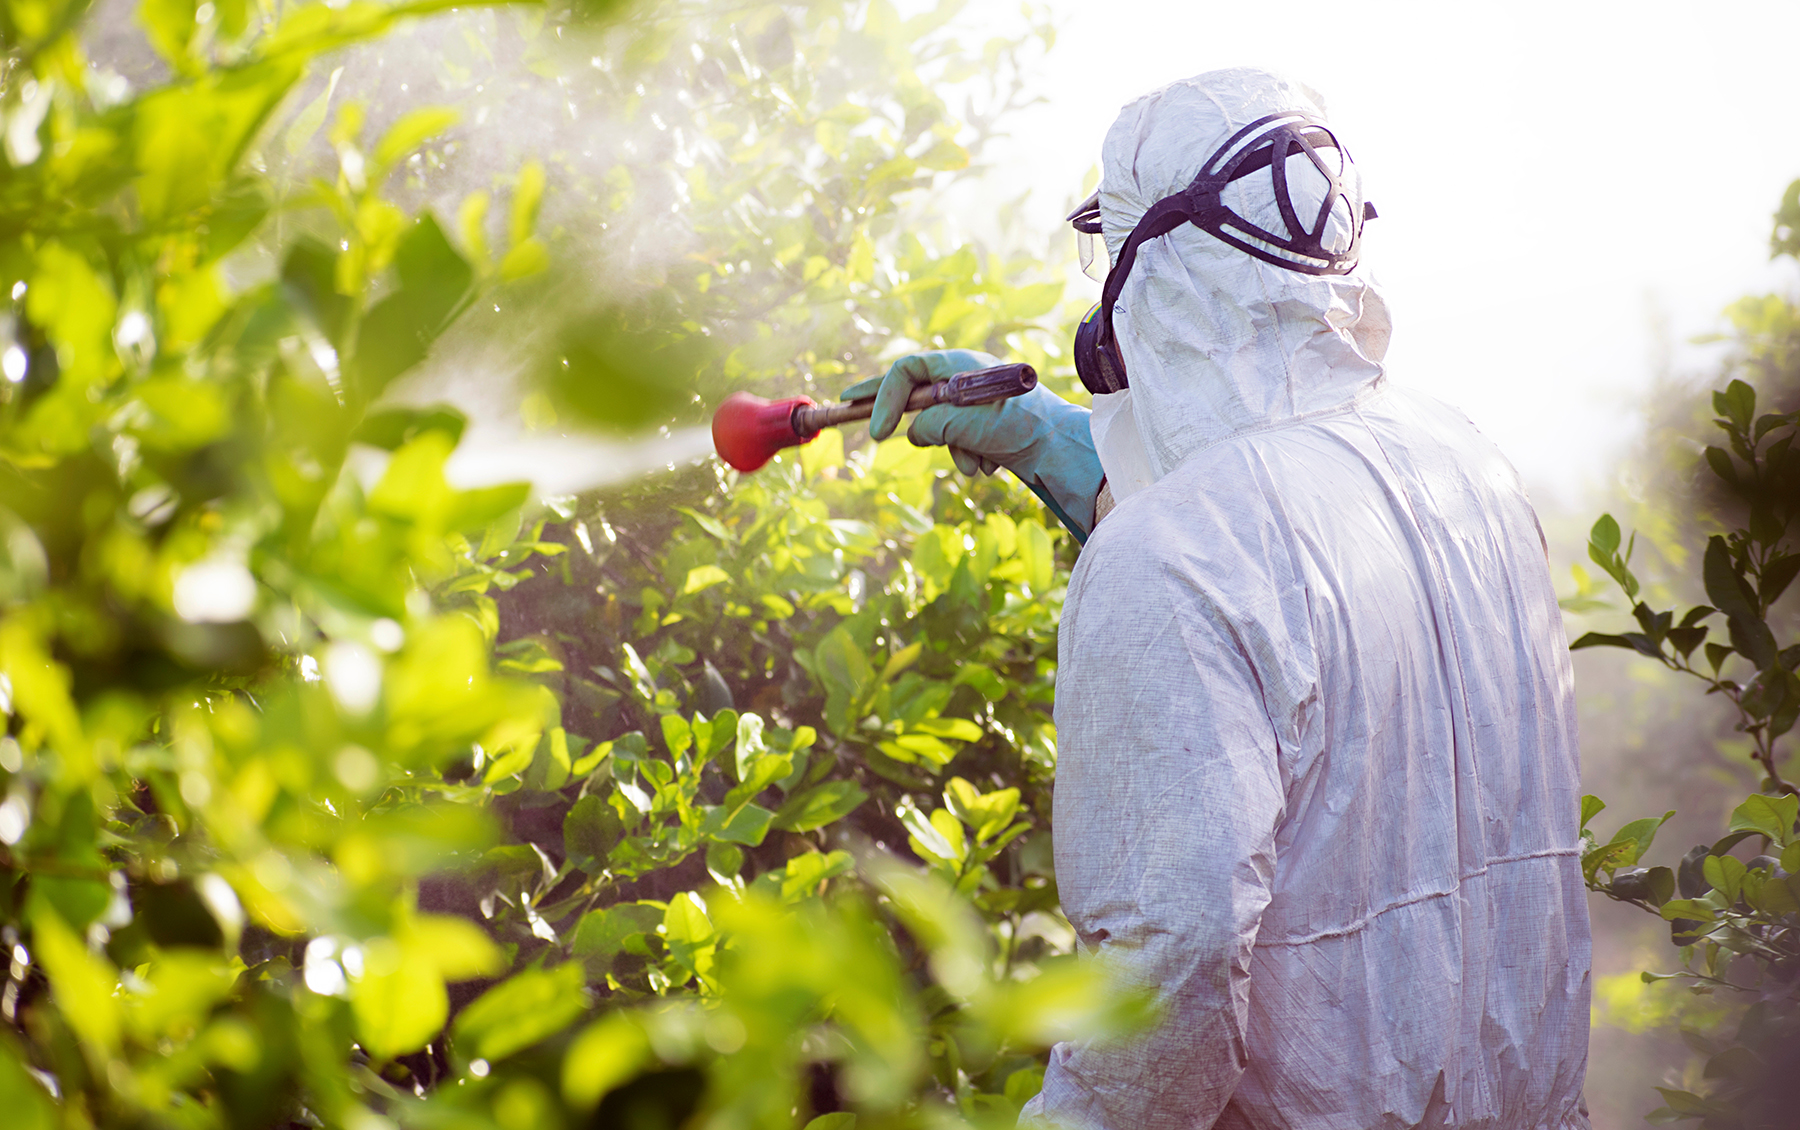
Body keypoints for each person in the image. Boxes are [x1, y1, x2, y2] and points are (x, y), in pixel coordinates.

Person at [848, 69, 1591, 1129]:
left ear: (1156, 270)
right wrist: (1047, 437)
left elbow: (1175, 956)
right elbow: (1285, 554)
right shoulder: (1464, 468)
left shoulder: (1172, 559)